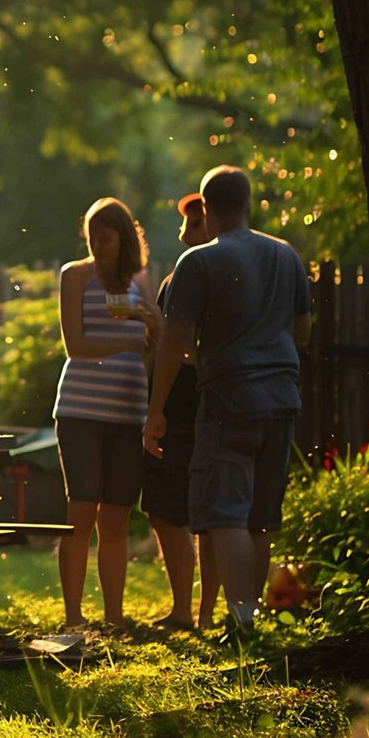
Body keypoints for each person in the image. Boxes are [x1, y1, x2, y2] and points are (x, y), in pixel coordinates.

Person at [146, 165, 311, 637]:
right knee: (260, 519)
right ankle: (252, 616)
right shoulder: (286, 255)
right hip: (282, 400)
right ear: (248, 202)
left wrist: (156, 410)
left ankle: (240, 622)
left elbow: (174, 340)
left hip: (229, 400)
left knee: (226, 513)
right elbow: (303, 331)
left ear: (208, 206)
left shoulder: (198, 262)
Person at [53, 197, 156, 631]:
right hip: (81, 409)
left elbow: (156, 344)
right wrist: (128, 342)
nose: (98, 243)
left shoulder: (138, 283)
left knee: (115, 517)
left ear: (124, 237)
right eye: (92, 235)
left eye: (106, 235)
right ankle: (74, 617)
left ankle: (114, 616)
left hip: (128, 411)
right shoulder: (76, 276)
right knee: (81, 513)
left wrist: (152, 324)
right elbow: (74, 345)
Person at [141, 192, 220, 630]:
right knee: (181, 509)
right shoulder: (178, 279)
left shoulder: (193, 276)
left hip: (186, 400)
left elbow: (177, 349)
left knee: (182, 509)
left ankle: (195, 611)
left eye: (193, 224)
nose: (183, 233)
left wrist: (155, 407)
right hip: (197, 398)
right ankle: (193, 610)